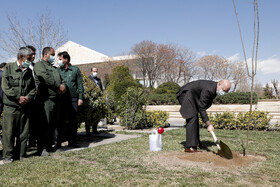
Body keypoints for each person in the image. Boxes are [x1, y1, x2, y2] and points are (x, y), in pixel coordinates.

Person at [176, 79, 231, 153]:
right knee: (192, 117)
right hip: (185, 94)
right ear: (219, 84)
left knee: (195, 117)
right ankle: (189, 147)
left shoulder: (214, 89)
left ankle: (196, 143)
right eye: (223, 90)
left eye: (225, 92)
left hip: (193, 96)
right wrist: (208, 124)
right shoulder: (209, 89)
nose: (223, 93)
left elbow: (203, 104)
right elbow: (202, 108)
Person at [1, 47, 36, 163]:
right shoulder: (9, 68)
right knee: (9, 132)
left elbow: (32, 88)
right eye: (29, 58)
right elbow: (5, 87)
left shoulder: (29, 71)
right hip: (11, 106)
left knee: (23, 132)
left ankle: (21, 155)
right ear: (21, 57)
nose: (31, 60)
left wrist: (27, 97)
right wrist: (17, 97)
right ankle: (7, 156)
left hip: (24, 106)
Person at [34, 47, 66, 156]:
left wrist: (63, 86)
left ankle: (48, 146)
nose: (53, 57)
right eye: (52, 54)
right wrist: (58, 86)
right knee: (44, 124)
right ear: (46, 54)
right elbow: (45, 78)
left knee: (52, 125)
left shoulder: (53, 67)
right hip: (45, 99)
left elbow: (62, 80)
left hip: (55, 98)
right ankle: (41, 148)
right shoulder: (39, 65)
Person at [57, 51, 84, 148]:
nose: (59, 61)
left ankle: (72, 142)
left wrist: (80, 97)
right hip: (61, 99)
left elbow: (80, 84)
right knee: (60, 121)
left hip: (73, 99)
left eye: (60, 59)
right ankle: (58, 142)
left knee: (73, 121)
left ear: (66, 59)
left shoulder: (75, 70)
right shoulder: (58, 70)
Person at [85, 67, 103, 135]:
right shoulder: (88, 79)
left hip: (98, 99)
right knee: (89, 116)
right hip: (90, 99)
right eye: (94, 71)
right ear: (91, 71)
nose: (95, 72)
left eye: (96, 71)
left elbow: (101, 89)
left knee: (96, 115)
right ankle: (87, 131)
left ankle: (94, 129)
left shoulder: (98, 80)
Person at [26, 45, 38, 148]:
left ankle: (32, 142)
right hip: (26, 98)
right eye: (32, 54)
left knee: (34, 121)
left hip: (36, 97)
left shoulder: (36, 66)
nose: (33, 56)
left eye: (35, 54)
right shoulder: (22, 66)